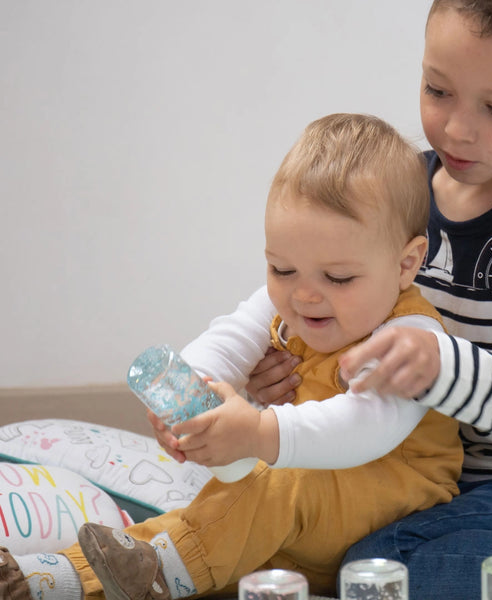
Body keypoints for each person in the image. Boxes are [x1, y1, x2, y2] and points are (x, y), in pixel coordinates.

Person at [192, 1, 492, 598]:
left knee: (388, 561)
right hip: (419, 473)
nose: (459, 128)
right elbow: (323, 300)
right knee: (270, 535)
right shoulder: (397, 189)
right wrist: (280, 371)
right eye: (438, 90)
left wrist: (441, 367)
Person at [0, 114, 462, 600]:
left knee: (268, 489)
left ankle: (151, 573)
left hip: (391, 507)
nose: (304, 296)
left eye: (339, 279)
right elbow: (230, 337)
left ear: (406, 263)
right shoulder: (289, 302)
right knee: (219, 527)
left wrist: (260, 433)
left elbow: (364, 427)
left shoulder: (413, 337)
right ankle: (42, 581)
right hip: (297, 503)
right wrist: (188, 393)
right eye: (281, 269)